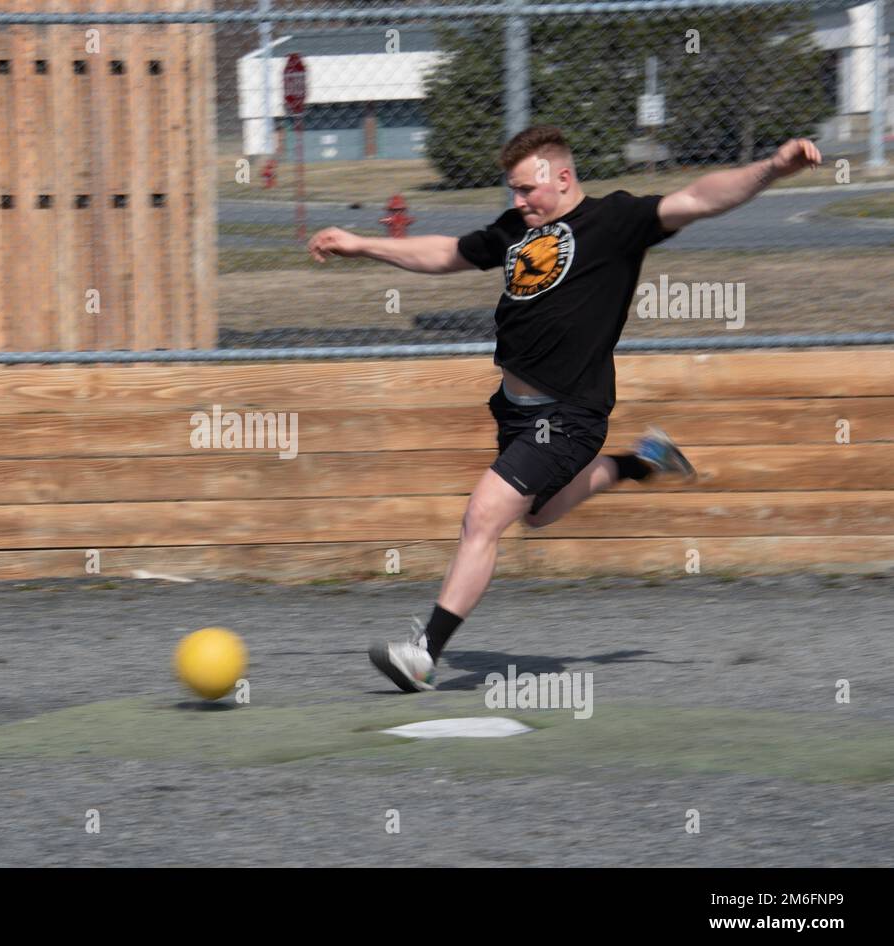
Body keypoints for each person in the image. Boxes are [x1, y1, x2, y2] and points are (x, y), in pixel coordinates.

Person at [306, 125, 822, 692]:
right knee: (537, 515)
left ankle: (423, 654)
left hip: (571, 411)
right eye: (513, 190)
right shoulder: (515, 229)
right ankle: (639, 462)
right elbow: (447, 253)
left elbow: (699, 198)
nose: (518, 201)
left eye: (527, 189)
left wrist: (773, 168)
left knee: (483, 517)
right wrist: (362, 244)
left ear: (564, 177)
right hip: (515, 411)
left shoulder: (614, 223)